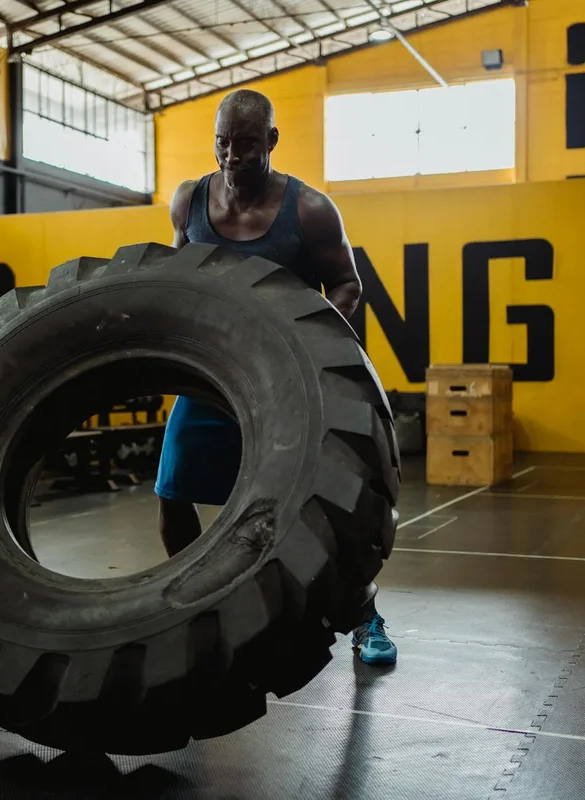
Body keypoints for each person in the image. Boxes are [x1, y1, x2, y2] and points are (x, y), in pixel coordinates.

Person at [153, 88, 398, 666]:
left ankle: (365, 617)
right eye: (221, 142)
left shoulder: (309, 210)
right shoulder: (188, 201)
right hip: (213, 380)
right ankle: (195, 609)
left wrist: (307, 348)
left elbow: (347, 285)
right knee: (172, 491)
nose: (230, 156)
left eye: (244, 144)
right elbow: (179, 275)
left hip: (290, 386)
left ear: (271, 141)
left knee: (328, 512)